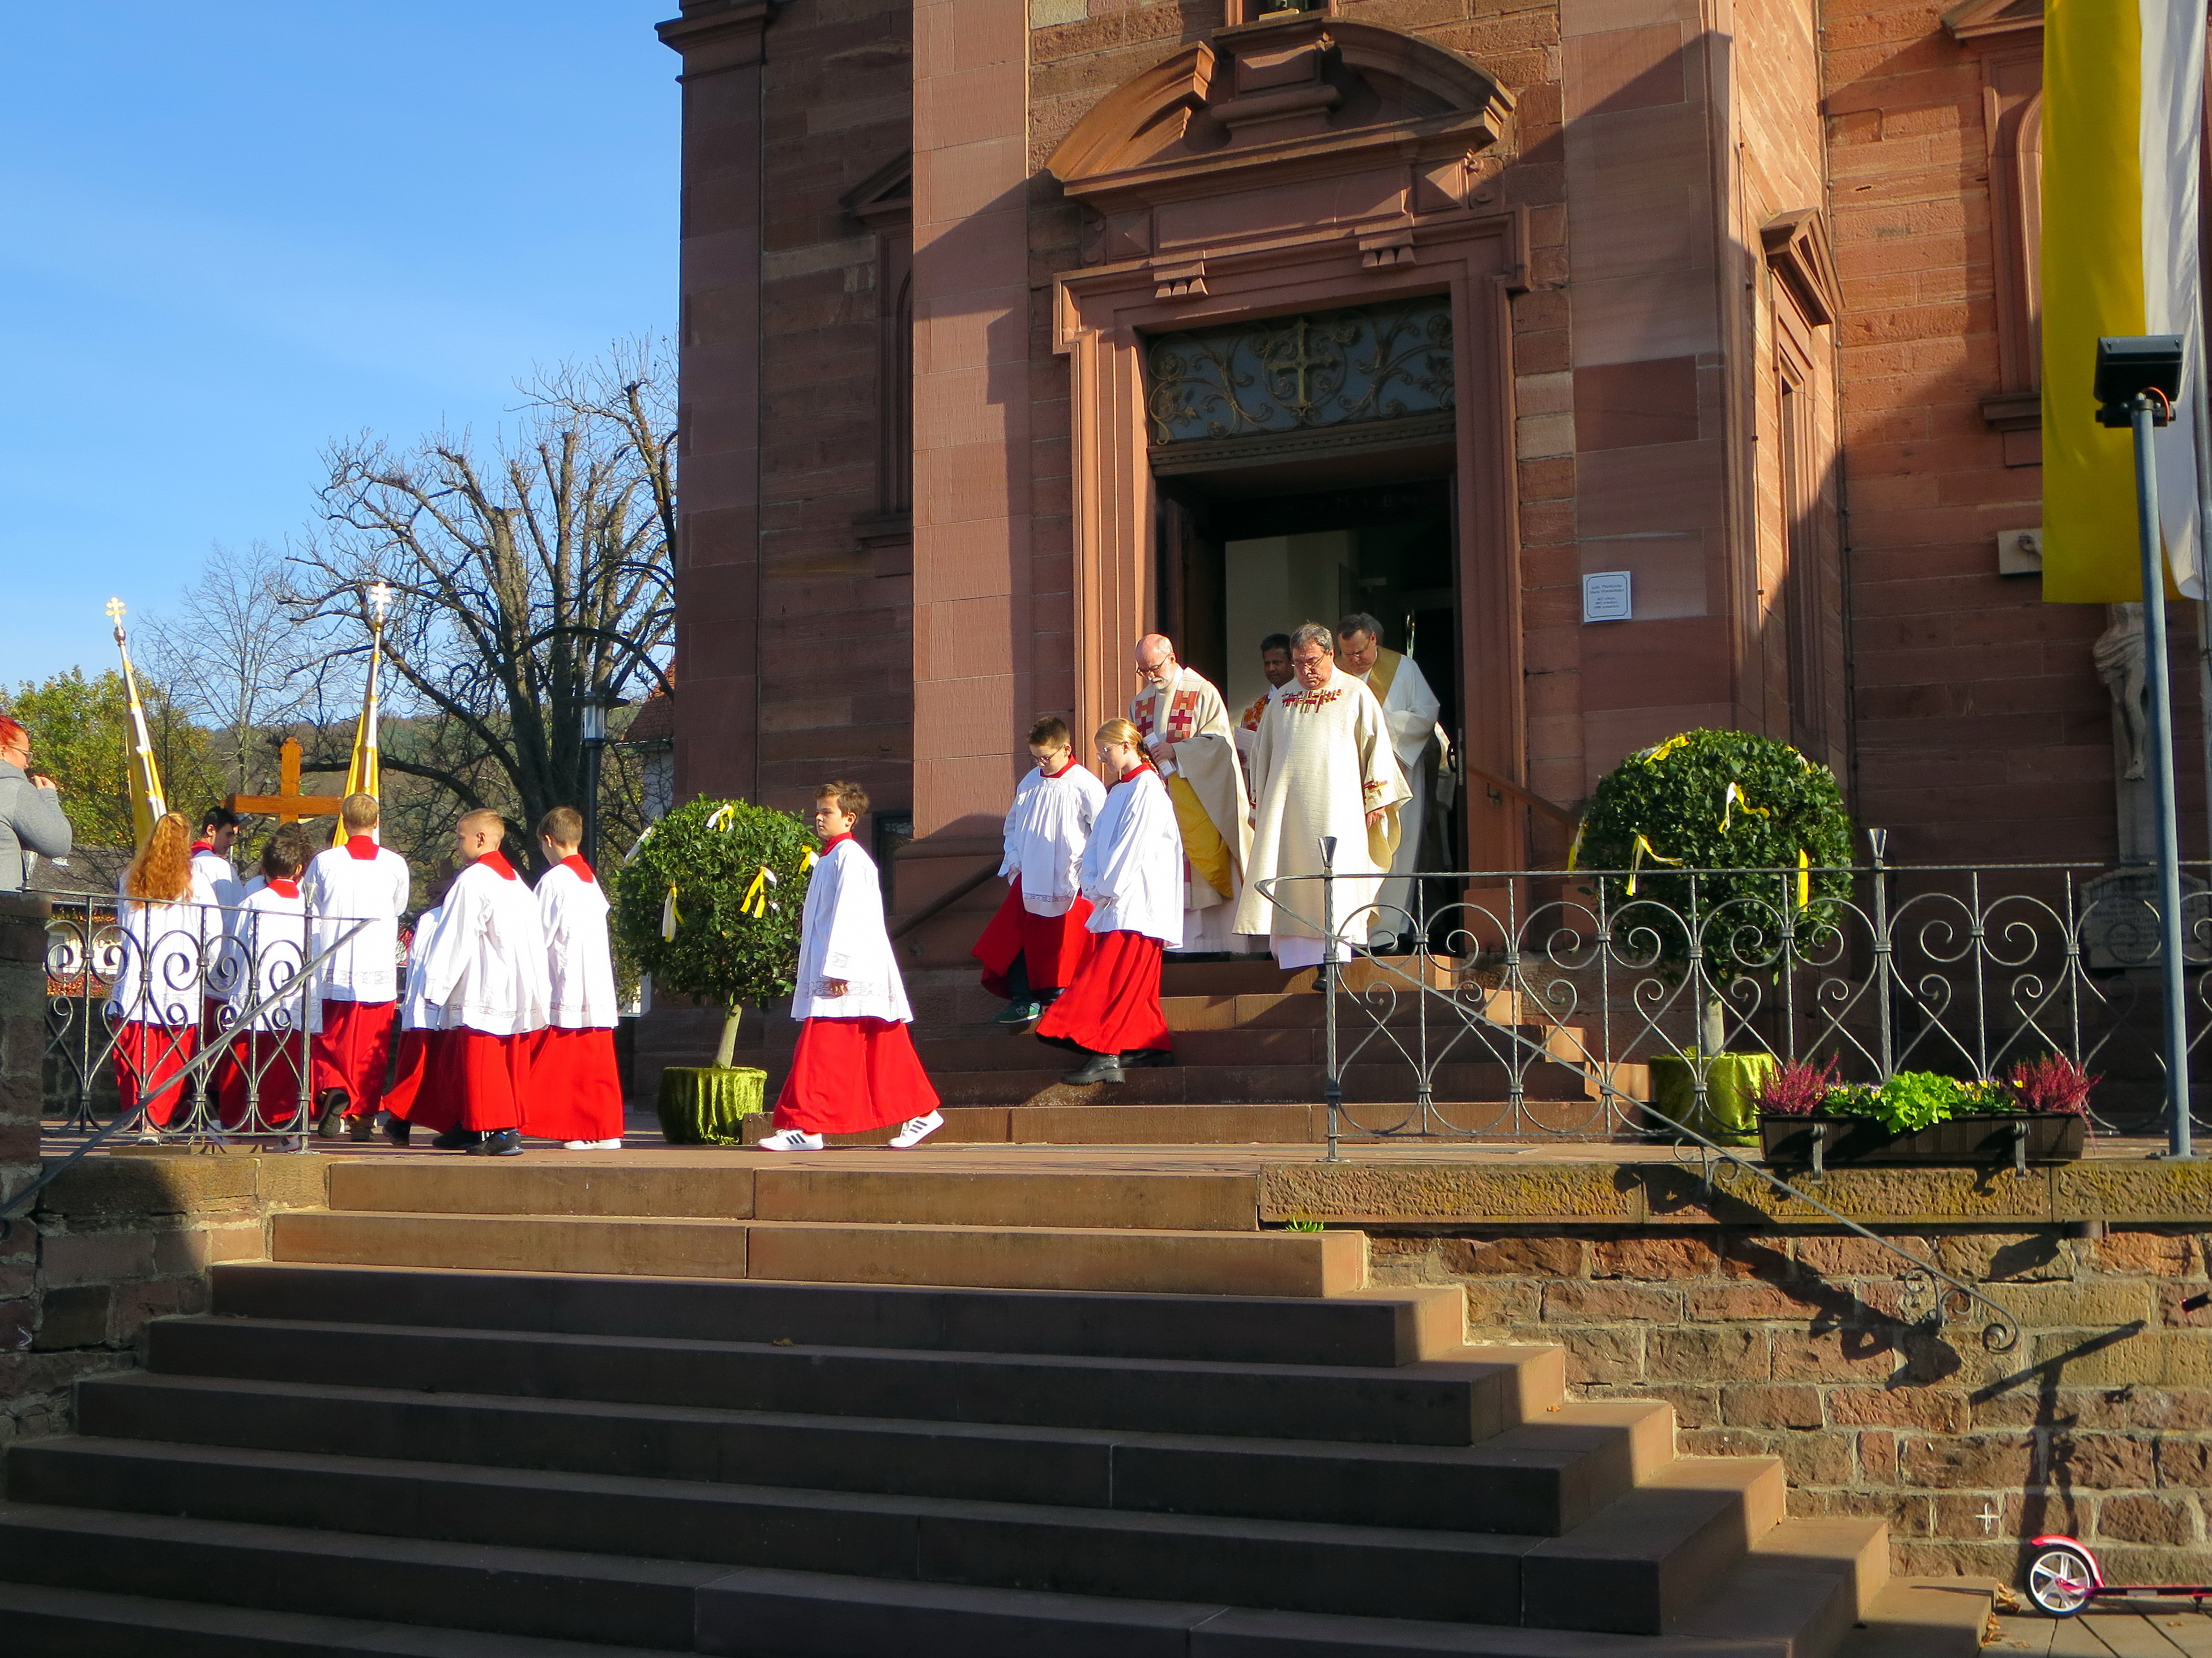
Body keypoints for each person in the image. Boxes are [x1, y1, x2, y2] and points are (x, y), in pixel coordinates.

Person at [757, 780, 943, 1152]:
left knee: (820, 1047)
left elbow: (851, 916)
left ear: (850, 817)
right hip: (845, 972)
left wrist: (840, 968)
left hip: (847, 974)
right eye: (819, 811)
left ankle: (807, 1127)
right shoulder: (833, 857)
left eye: (827, 812)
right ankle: (922, 1110)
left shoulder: (850, 859)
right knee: (883, 1045)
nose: (819, 818)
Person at [1234, 622, 1411, 969]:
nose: (1306, 671)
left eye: (1313, 661)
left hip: (1339, 810)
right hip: (1287, 814)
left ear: (1331, 654)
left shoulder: (1355, 693)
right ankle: (1294, 959)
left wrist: (1375, 799)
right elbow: (1262, 756)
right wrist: (1260, 803)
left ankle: (1333, 961)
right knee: (1292, 877)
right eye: (1299, 663)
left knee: (1336, 879)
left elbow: (1377, 749)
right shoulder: (1282, 699)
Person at [1033, 719, 1183, 1086]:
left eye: (1107, 751)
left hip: (1136, 902)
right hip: (1117, 901)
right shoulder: (1120, 790)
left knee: (1111, 979)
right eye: (1100, 752)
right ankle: (1147, 1044)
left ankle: (1105, 1052)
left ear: (1127, 746)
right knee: (1135, 983)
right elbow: (1098, 840)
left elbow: (1134, 848)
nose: (1102, 758)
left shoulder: (1147, 788)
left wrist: (1105, 887)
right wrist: (1092, 882)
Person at [412, 810, 550, 1156]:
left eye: (460, 837)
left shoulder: (474, 881)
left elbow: (455, 936)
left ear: (481, 839)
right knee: (491, 1062)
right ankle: (473, 1126)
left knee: (483, 1060)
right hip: (514, 985)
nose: (457, 845)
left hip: (484, 984)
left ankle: (503, 1132)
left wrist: (435, 987)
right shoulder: (518, 883)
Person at [971, 716, 1106, 1027]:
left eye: (1046, 756)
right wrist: (1015, 861)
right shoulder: (1030, 781)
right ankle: (1024, 999)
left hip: (1068, 879)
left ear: (1066, 749)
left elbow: (1101, 830)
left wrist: (1089, 871)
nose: (1041, 764)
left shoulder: (1085, 784)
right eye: (1036, 757)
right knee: (1018, 937)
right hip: (1030, 875)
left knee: (1064, 943)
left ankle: (1060, 999)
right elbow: (1014, 824)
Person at [1127, 634, 1252, 956]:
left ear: (1171, 657)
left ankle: (1221, 944)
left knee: (1206, 868)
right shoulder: (1140, 703)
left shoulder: (1201, 692)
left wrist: (1177, 751)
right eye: (1143, 671)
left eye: (1153, 668)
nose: (1150, 677)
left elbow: (1220, 744)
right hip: (1164, 802)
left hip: (1202, 797)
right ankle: (1176, 947)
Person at [302, 794, 412, 1140]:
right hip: (376, 968)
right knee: (370, 1049)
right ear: (377, 822)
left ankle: (333, 1090)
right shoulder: (395, 864)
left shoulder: (325, 861)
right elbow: (400, 906)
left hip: (335, 966)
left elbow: (311, 903)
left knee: (331, 1040)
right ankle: (362, 1117)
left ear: (344, 822)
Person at [1336, 613, 1446, 948]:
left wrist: (1379, 727)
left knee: (1398, 847)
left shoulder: (1404, 669)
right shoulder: (1334, 674)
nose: (1354, 661)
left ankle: (1391, 930)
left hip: (1398, 773)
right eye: (1347, 654)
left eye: (1360, 652)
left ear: (1373, 640)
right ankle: (1352, 930)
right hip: (1348, 778)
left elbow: (1427, 713)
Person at [527, 806, 625, 1150]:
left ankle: (576, 1128)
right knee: (596, 1063)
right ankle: (606, 1128)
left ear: (549, 840)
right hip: (595, 981)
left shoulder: (554, 880)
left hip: (566, 980)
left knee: (567, 1062)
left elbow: (537, 936)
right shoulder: (589, 879)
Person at [107, 812, 211, 1131]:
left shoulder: (129, 877)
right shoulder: (197, 882)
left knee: (136, 1053)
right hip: (177, 980)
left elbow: (124, 923)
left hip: (137, 978)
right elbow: (211, 932)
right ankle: (156, 1119)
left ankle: (140, 1117)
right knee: (170, 1057)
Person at [216, 824, 321, 1129]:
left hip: (256, 991)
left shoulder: (255, 901)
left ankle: (236, 1122)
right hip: (293, 995)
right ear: (300, 868)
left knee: (245, 1062)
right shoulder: (308, 906)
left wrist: (230, 983)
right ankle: (285, 1123)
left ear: (264, 868)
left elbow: (237, 945)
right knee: (286, 1065)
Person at [379, 871, 455, 1147]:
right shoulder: (434, 920)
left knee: (423, 1072)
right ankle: (399, 1122)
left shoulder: (435, 919)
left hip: (431, 1007)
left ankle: (401, 1123)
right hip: (434, 1007)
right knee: (422, 1071)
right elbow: (420, 963)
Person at [0, 716, 71, 893]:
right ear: (3, 751)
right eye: (25, 754)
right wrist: (48, 796)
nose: (26, 764)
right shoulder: (12, 788)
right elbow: (57, 843)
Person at [1234, 634, 1296, 777]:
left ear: (1292, 662)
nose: (1271, 668)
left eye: (1277, 662)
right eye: (1267, 663)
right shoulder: (1254, 707)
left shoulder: (1305, 701)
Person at [189, 807, 244, 908]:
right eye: (228, 835)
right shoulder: (219, 867)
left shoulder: (180, 859)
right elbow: (231, 912)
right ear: (211, 830)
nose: (232, 842)